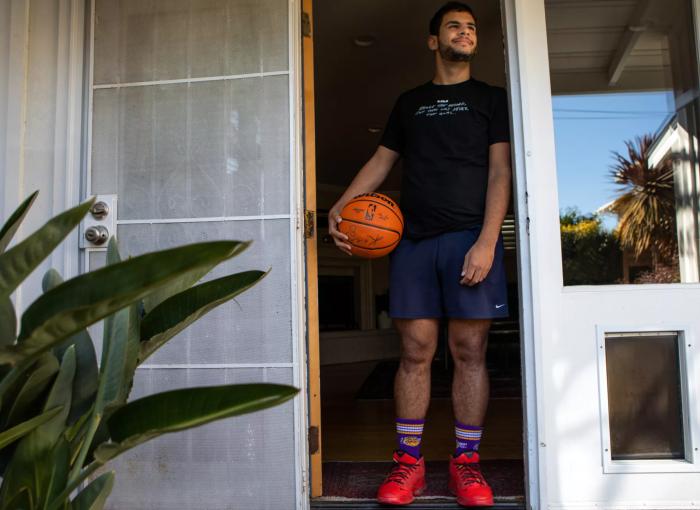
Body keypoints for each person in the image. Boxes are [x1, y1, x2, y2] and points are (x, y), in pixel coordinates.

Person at [328, 2, 511, 506]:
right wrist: (340, 205)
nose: (465, 32)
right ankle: (409, 464)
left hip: (469, 238)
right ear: (434, 41)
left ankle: (466, 466)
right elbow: (380, 161)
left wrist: (488, 241)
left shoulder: (490, 99)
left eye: (471, 27)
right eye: (455, 26)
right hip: (412, 241)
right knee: (414, 353)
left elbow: (500, 173)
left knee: (469, 353)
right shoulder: (410, 103)